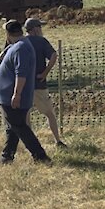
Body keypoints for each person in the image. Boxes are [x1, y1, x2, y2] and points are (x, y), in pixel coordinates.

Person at [0, 20, 50, 165]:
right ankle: (7, 157)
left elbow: (21, 74)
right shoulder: (18, 46)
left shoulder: (21, 49)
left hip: (15, 97)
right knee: (13, 126)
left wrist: (16, 94)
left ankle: (41, 156)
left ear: (8, 34)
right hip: (9, 96)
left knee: (19, 127)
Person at [23, 18, 65, 147]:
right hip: (39, 84)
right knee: (50, 114)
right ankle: (57, 140)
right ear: (35, 29)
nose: (41, 30)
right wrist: (45, 73)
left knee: (25, 116)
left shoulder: (21, 42)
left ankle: (29, 144)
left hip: (23, 85)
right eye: (40, 27)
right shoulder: (41, 41)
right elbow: (53, 55)